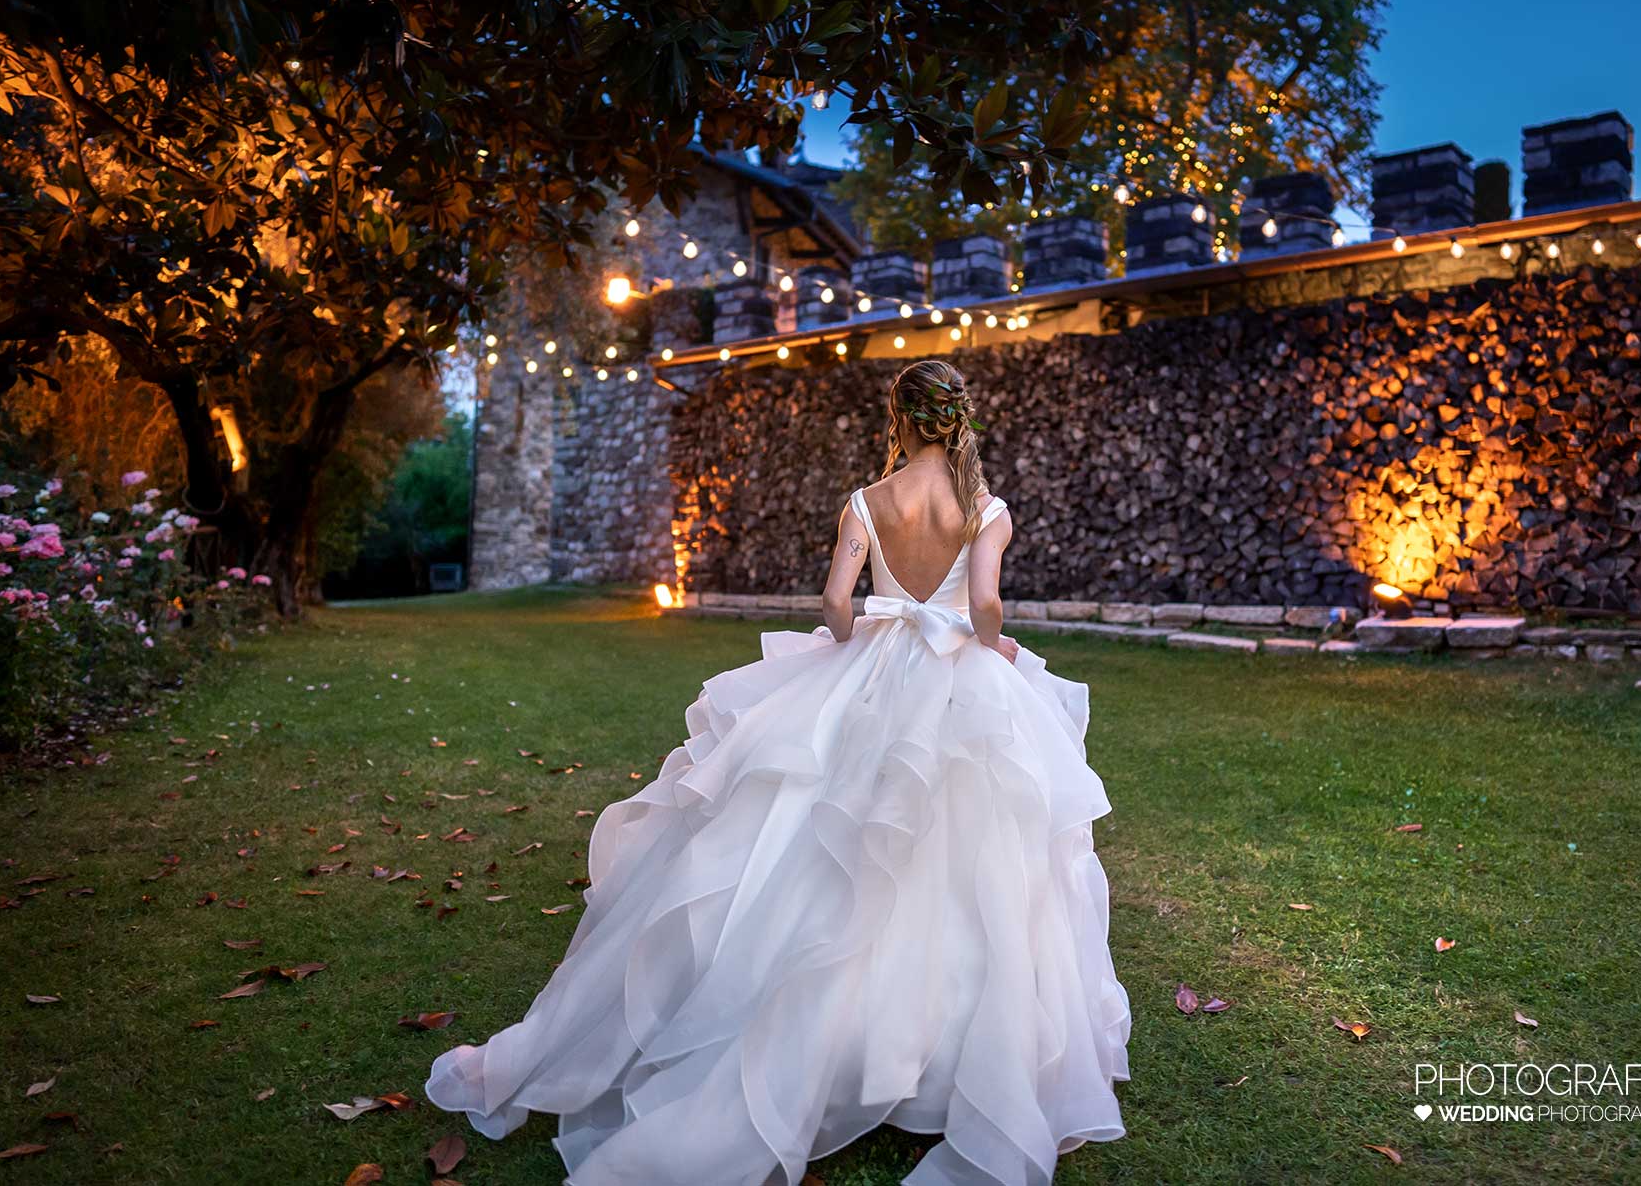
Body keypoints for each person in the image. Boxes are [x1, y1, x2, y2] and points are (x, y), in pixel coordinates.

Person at [425, 359, 1131, 1185]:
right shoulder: (985, 508)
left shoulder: (867, 501)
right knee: (964, 852)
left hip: (872, 666)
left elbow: (837, 602)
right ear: (961, 419)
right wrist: (995, 646)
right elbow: (984, 605)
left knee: (815, 846)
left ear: (898, 420)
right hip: (959, 672)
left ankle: (809, 1030)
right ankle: (935, 1054)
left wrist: (847, 655)